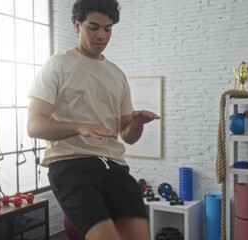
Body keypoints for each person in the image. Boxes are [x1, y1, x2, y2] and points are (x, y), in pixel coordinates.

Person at [27, 0, 160, 239]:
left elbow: (127, 137)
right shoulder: (58, 65)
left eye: (107, 29)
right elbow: (34, 125)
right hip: (71, 164)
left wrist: (137, 124)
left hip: (112, 165)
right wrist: (79, 127)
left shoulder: (117, 75)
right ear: (77, 26)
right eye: (93, 27)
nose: (101, 35)